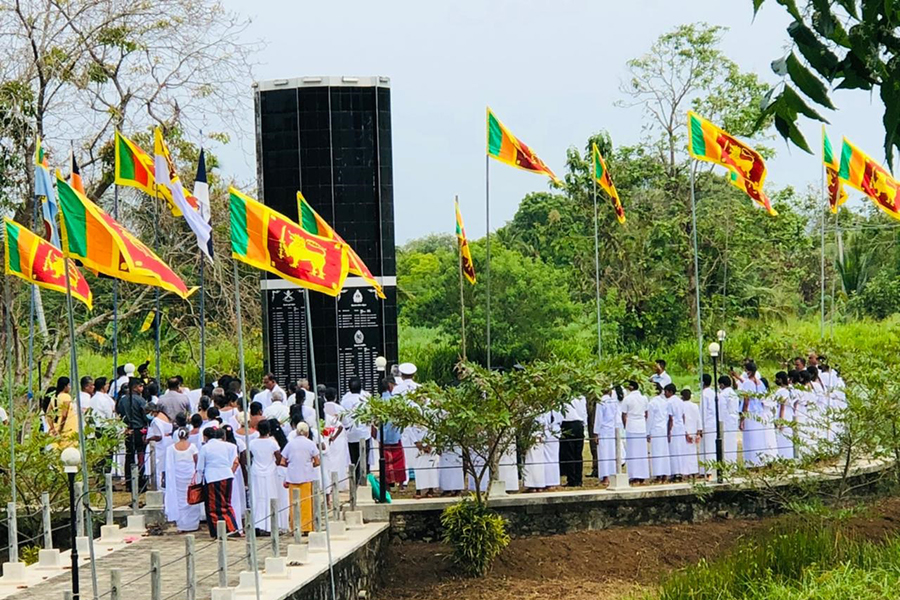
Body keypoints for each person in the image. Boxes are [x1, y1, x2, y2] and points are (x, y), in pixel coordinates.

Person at [197, 426, 240, 538]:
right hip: (227, 475)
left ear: (205, 437)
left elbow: (200, 467)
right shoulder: (229, 446)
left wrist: (199, 480)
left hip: (212, 477)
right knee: (226, 503)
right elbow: (235, 459)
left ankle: (217, 531)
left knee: (213, 507)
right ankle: (232, 528)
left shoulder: (205, 448)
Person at [249, 420, 286, 534]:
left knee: (258, 497)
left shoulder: (252, 442)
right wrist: (273, 464)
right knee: (271, 496)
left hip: (256, 471)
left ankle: (258, 524)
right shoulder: (272, 443)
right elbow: (279, 457)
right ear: (269, 430)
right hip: (270, 471)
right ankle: (270, 525)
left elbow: (247, 457)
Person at [282, 422, 320, 533]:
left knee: (294, 503)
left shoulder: (290, 444)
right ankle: (307, 527)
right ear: (307, 432)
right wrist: (308, 464)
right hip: (306, 476)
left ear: (297, 432)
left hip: (292, 477)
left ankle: (295, 527)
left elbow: (282, 461)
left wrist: (293, 465)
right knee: (307, 503)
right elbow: (317, 462)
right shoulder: (310, 444)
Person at [164, 427, 200, 532]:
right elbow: (196, 460)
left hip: (177, 475)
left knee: (181, 498)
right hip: (189, 474)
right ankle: (192, 524)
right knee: (191, 497)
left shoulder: (171, 448)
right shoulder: (192, 447)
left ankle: (182, 524)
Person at [118, 378, 149, 491]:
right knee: (141, 455)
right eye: (140, 386)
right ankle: (140, 481)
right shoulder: (140, 400)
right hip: (140, 430)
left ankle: (128, 482)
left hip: (128, 430)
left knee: (129, 456)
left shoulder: (122, 400)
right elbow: (146, 416)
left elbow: (120, 414)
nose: (142, 388)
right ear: (135, 387)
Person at [340, 378, 371, 485]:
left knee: (354, 458)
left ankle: (356, 480)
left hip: (351, 435)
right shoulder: (366, 399)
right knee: (364, 458)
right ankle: (363, 479)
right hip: (364, 433)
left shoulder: (344, 401)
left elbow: (342, 417)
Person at [739, 362, 768, 467]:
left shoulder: (747, 383)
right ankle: (760, 461)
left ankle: (751, 463)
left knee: (750, 439)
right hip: (759, 413)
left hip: (750, 414)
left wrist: (742, 418)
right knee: (759, 438)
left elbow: (746, 401)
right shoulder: (761, 383)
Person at [621, 380, 649, 484]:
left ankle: (634, 475)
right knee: (641, 452)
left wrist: (626, 426)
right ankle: (642, 475)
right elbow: (646, 413)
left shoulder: (627, 399)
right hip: (641, 425)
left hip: (631, 425)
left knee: (632, 452)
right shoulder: (644, 398)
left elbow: (623, 415)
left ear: (631, 388)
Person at [559, 394, 587, 487]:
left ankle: (572, 479)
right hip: (579, 424)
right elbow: (583, 412)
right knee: (578, 453)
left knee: (569, 453)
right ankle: (578, 479)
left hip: (568, 423)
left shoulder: (565, 396)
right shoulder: (581, 397)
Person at [593, 388, 619, 485]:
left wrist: (596, 432)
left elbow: (598, 418)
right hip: (612, 429)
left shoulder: (601, 402)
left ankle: (606, 477)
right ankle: (612, 474)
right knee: (611, 453)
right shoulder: (614, 402)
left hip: (603, 430)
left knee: (603, 454)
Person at [646, 383, 670, 483]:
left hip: (655, 429)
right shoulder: (665, 402)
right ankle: (664, 474)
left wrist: (647, 432)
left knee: (656, 452)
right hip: (663, 429)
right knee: (664, 452)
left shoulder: (652, 403)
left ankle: (658, 475)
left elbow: (650, 419)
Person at [145, 402, 173, 489]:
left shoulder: (156, 421)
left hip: (159, 446)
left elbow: (158, 436)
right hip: (167, 443)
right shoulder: (164, 416)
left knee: (157, 468)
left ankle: (157, 486)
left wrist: (148, 439)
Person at [665, 383, 687, 480]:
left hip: (673, 427)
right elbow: (683, 416)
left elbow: (670, 418)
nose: (665, 394)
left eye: (666, 392)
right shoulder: (680, 401)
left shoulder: (669, 402)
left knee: (673, 449)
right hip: (680, 426)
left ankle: (675, 472)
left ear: (670, 392)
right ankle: (681, 471)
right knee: (680, 449)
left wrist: (668, 431)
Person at [773, 371, 795, 460]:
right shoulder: (791, 389)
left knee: (782, 437)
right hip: (789, 415)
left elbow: (782, 406)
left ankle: (784, 457)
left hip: (783, 414)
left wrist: (781, 421)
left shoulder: (782, 391)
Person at [718, 376, 740, 464]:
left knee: (726, 443)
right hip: (734, 419)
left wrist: (720, 421)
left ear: (722, 385)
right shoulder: (733, 393)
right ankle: (732, 463)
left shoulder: (723, 394)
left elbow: (722, 409)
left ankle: (727, 463)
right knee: (732, 442)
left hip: (726, 420)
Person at [681, 389, 701, 480]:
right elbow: (698, 419)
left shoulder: (682, 406)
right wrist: (698, 432)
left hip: (686, 431)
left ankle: (687, 472)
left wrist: (685, 433)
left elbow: (683, 420)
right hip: (693, 430)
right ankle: (693, 471)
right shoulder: (695, 406)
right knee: (692, 452)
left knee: (685, 453)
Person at [700, 374, 717, 476]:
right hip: (713, 422)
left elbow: (703, 411)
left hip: (707, 423)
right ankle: (710, 469)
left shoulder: (704, 394)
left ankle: (707, 470)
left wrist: (700, 427)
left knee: (707, 447)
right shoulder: (714, 393)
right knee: (711, 447)